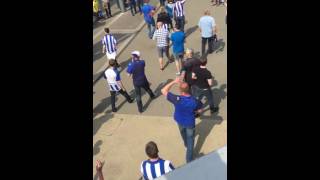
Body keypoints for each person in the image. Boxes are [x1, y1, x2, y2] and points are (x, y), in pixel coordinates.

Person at [161, 77, 203, 163]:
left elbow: (163, 90)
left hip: (179, 120)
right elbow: (200, 109)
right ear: (190, 89)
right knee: (191, 140)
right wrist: (197, 112)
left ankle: (185, 144)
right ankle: (189, 159)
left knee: (183, 133)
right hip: (190, 123)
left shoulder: (177, 99)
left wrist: (174, 81)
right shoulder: (194, 101)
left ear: (180, 91)